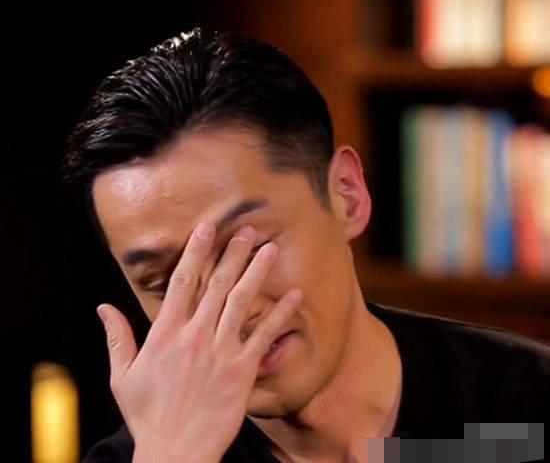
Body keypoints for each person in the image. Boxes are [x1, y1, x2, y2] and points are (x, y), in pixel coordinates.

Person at [64, 29, 549, 463]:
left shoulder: (527, 407)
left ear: (346, 196)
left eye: (248, 249)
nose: (232, 309)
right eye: (168, 281)